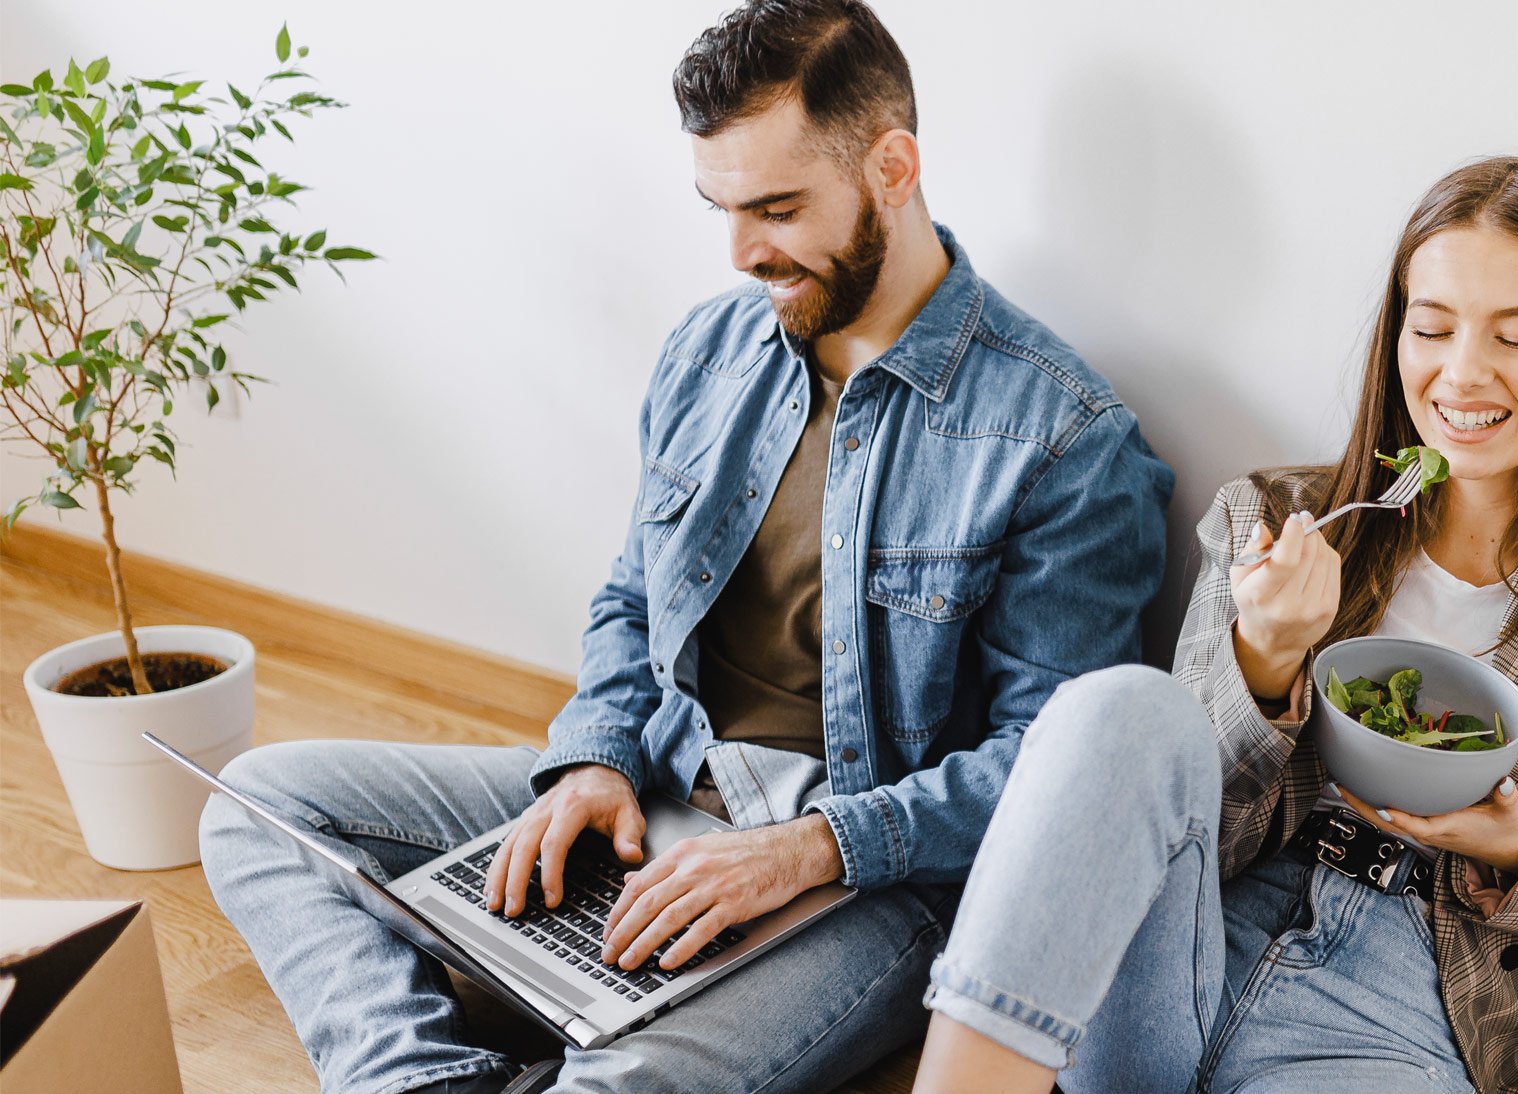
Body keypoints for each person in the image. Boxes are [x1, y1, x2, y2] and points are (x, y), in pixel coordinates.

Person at [197, 3, 1173, 1091]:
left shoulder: (1064, 439)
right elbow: (633, 596)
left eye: (777, 209)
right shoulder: (711, 350)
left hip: (864, 884)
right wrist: (597, 755)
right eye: (723, 209)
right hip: (660, 787)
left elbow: (1048, 776)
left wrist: (806, 850)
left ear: (892, 168)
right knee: (259, 804)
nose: (745, 253)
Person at [906, 156, 1518, 1094]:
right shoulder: (1272, 523)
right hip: (1197, 941)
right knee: (1116, 707)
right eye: (1432, 328)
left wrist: (1516, 847)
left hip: (1412, 1001)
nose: (1462, 373)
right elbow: (1192, 817)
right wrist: (1265, 655)